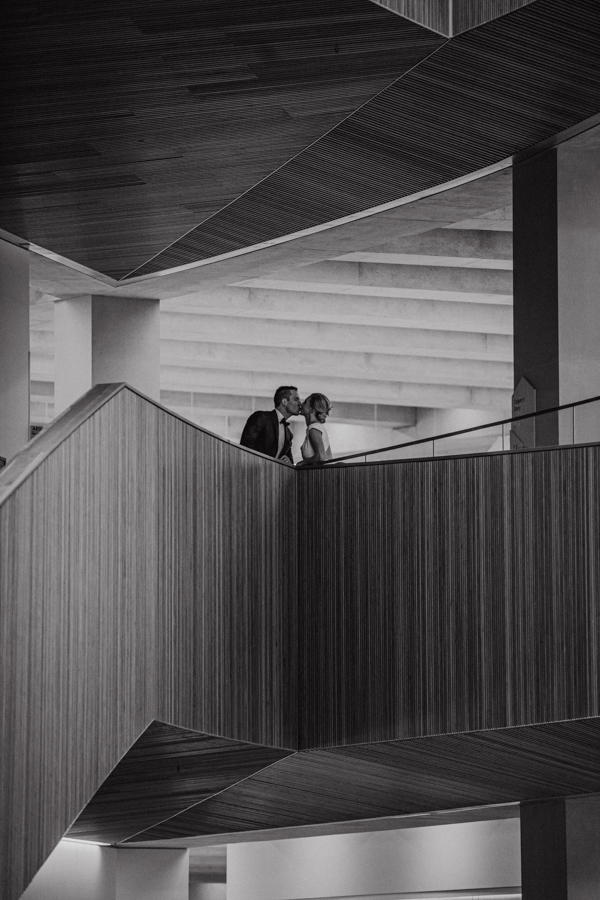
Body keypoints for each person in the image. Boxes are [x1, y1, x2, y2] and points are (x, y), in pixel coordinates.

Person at [239, 386, 301, 464]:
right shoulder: (261, 418)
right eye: (296, 399)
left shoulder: (289, 434)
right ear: (284, 401)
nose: (300, 404)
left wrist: (288, 461)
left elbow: (290, 462)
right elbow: (245, 447)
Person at [298, 393, 333, 466]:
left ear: (312, 409)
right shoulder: (314, 427)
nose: (301, 404)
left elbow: (320, 457)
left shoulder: (314, 428)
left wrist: (301, 463)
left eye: (305, 402)